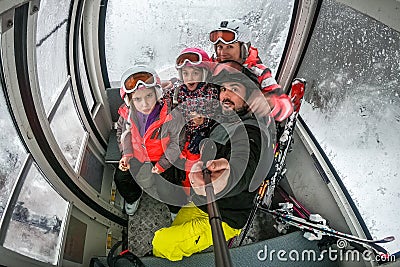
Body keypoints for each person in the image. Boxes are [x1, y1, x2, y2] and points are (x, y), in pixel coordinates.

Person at [151, 63, 275, 261]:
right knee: (174, 231)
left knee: (161, 243)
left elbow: (245, 163)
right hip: (202, 202)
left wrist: (226, 178)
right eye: (223, 89)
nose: (225, 95)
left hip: (226, 215)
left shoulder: (253, 132)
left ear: (249, 98)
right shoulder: (221, 118)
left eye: (234, 90)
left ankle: (227, 237)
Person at [116, 65, 184, 215]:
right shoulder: (126, 115)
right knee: (121, 178)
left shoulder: (171, 114)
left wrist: (163, 164)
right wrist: (126, 154)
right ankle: (133, 198)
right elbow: (122, 132)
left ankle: (174, 210)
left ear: (157, 94)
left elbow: (177, 142)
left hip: (162, 156)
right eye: (138, 99)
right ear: (130, 101)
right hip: (136, 155)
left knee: (168, 187)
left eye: (149, 96)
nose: (145, 104)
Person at [209, 19, 293, 122]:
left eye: (229, 47)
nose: (222, 52)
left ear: (244, 49)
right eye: (219, 47)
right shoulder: (212, 66)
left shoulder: (258, 72)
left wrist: (269, 103)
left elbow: (285, 106)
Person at [162, 47, 219, 197]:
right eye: (186, 73)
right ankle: (179, 185)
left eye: (195, 73)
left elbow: (215, 114)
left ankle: (190, 191)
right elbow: (164, 97)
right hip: (181, 133)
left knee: (192, 163)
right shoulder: (178, 89)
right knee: (175, 159)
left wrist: (203, 120)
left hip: (200, 134)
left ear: (204, 74)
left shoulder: (210, 92)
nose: (190, 78)